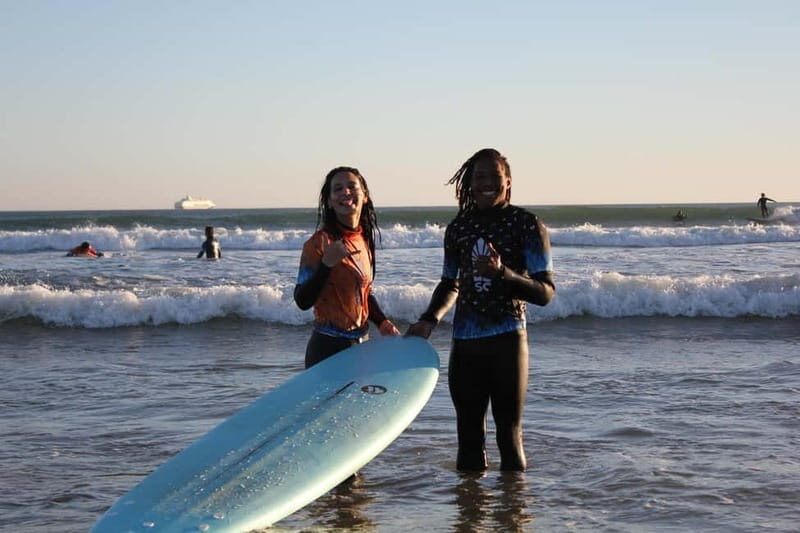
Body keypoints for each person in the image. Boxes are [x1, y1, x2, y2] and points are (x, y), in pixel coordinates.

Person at [406, 148, 555, 472]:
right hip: (465, 344)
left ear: (508, 182)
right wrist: (429, 320)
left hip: (508, 341)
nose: (487, 184)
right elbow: (450, 284)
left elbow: (545, 293)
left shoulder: (527, 224)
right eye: (480, 177)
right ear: (470, 184)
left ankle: (512, 513)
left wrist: (504, 274)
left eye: (494, 177)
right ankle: (468, 513)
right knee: (468, 438)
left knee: (508, 435)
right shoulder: (459, 228)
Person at [294, 166, 400, 369]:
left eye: (352, 186)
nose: (345, 192)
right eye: (338, 189)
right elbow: (302, 300)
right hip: (327, 349)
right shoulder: (319, 243)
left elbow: (363, 292)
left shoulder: (362, 239)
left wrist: (383, 322)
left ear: (365, 196)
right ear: (330, 202)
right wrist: (326, 265)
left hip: (361, 345)